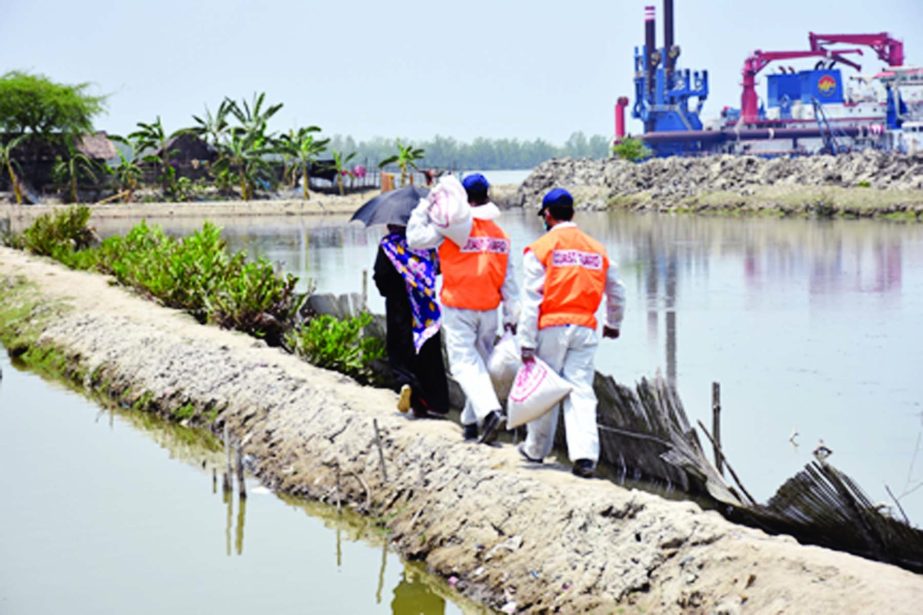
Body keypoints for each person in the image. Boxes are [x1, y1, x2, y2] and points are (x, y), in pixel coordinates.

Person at [517, 188, 626, 478]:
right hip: (585, 329)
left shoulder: (541, 248)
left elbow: (531, 300)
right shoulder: (596, 249)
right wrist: (613, 323)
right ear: (573, 213)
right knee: (580, 390)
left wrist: (526, 341)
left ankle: (536, 450)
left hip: (551, 326)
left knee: (545, 390)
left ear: (548, 215)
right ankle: (585, 457)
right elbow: (617, 290)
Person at [407, 173, 518, 443]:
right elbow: (509, 280)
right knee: (478, 365)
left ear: (462, 198)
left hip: (459, 305)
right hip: (489, 308)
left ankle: (490, 412)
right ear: (488, 195)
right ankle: (470, 423)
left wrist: (427, 203)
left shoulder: (452, 229)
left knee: (463, 365)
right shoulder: (500, 235)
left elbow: (414, 238)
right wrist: (512, 316)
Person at [373, 224, 450, 417]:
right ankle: (432, 403)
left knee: (400, 351)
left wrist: (392, 289)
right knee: (428, 354)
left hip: (398, 308)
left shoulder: (388, 246)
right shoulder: (426, 244)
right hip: (425, 310)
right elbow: (437, 268)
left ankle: (407, 385)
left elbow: (381, 278)